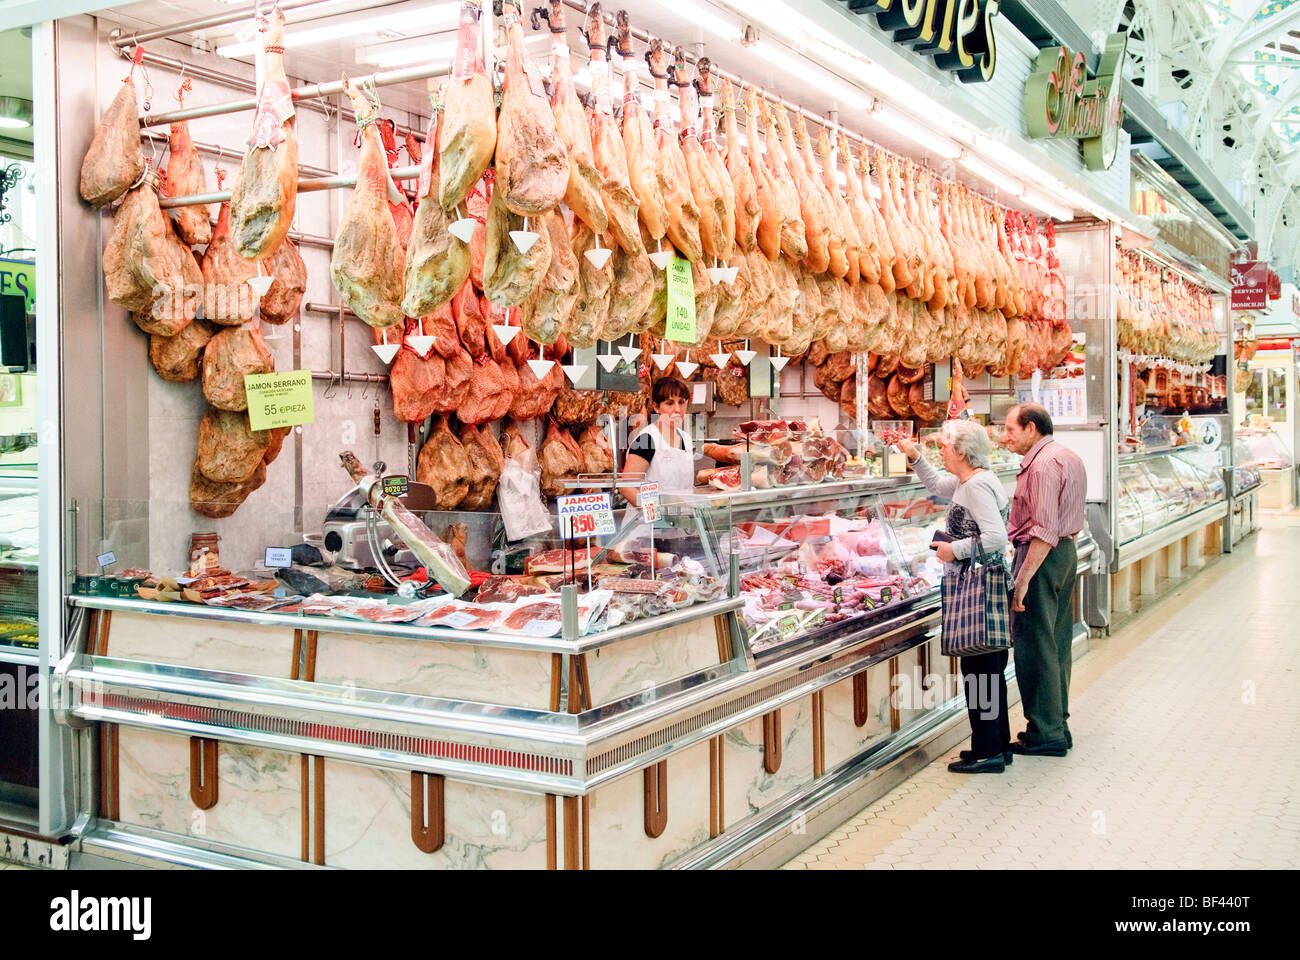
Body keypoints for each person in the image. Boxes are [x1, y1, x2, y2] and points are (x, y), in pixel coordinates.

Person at [898, 421, 1012, 775]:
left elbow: (996, 536)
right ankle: (994, 745)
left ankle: (989, 752)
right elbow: (934, 484)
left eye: (946, 445)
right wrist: (914, 455)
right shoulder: (970, 480)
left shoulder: (976, 486)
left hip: (979, 588)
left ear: (962, 451)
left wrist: (954, 549)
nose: (942, 450)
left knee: (980, 671)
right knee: (987, 669)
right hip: (982, 586)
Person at [1001, 403, 1087, 758]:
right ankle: (1056, 723)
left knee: (1035, 645)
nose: (1005, 437)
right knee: (1056, 642)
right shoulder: (1068, 456)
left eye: (1010, 429)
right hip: (1066, 555)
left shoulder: (1040, 466)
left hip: (1043, 558)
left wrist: (1022, 579)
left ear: (1031, 428)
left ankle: (1044, 732)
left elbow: (1044, 530)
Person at [618, 378, 694, 522]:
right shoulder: (647, 439)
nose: (677, 409)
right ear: (656, 407)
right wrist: (657, 517)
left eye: (681, 402)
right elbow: (626, 487)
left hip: (679, 527)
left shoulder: (686, 439)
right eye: (670, 403)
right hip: (645, 530)